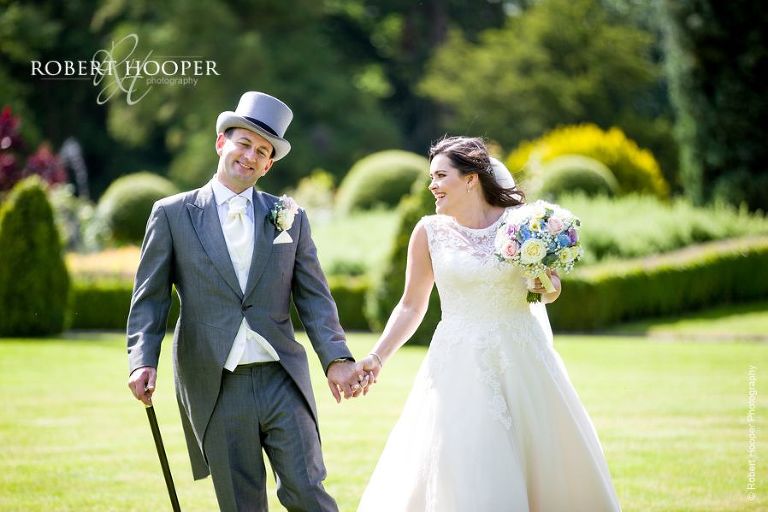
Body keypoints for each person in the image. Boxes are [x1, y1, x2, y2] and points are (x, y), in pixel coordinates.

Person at [126, 91, 368, 512]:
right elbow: (150, 298)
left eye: (263, 151)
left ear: (270, 163)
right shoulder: (171, 214)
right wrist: (141, 359)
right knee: (241, 504)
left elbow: (314, 297)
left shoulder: (289, 215)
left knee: (307, 491)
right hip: (216, 380)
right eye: (244, 143)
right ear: (221, 142)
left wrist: (336, 358)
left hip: (281, 378)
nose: (251, 156)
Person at [356, 136, 621, 511]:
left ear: (471, 179)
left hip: (522, 360)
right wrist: (377, 357)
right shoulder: (428, 232)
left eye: (440, 175)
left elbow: (551, 290)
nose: (432, 184)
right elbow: (411, 306)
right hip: (458, 364)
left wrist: (541, 282)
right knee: (465, 457)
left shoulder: (522, 225)